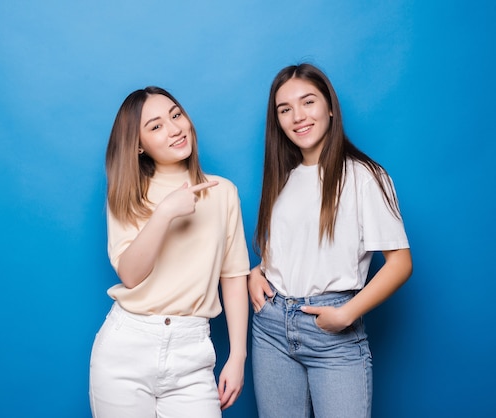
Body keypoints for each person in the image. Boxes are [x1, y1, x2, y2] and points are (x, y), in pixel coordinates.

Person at [248, 63, 413, 418]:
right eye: (285, 109)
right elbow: (292, 250)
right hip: (271, 328)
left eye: (308, 102)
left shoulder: (365, 176)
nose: (298, 117)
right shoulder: (283, 178)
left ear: (330, 108)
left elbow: (400, 263)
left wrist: (346, 314)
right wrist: (256, 272)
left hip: (332, 330)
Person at [89, 86, 250, 417]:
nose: (175, 128)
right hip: (127, 349)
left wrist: (237, 356)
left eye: (176, 115)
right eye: (156, 126)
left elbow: (233, 278)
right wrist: (164, 213)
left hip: (192, 355)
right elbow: (130, 275)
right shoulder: (126, 193)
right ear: (138, 145)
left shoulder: (224, 193)